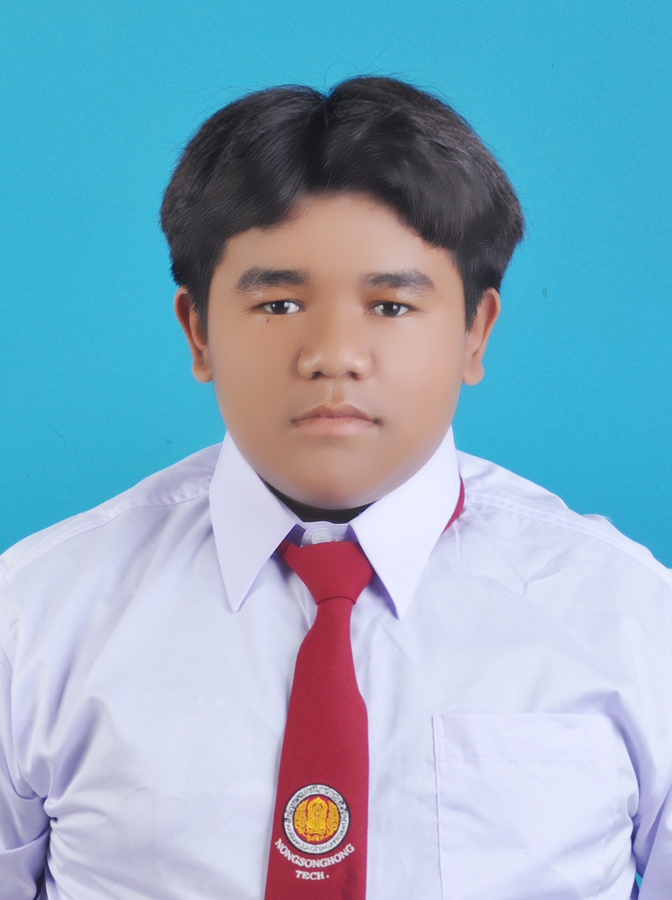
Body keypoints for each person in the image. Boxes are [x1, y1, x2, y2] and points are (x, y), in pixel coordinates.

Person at [1, 76, 670, 900]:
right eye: (279, 304)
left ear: (475, 332)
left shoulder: (631, 619)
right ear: (198, 331)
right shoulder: (33, 619)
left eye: (391, 306)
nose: (333, 355)